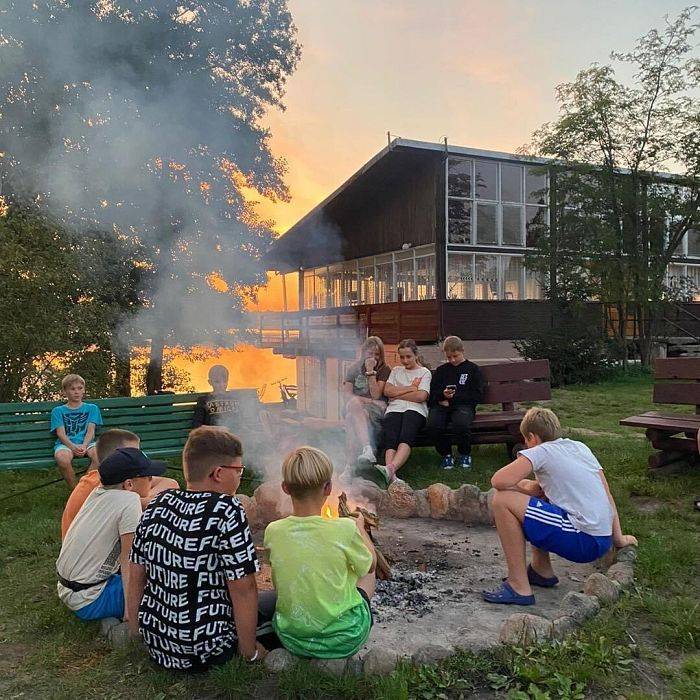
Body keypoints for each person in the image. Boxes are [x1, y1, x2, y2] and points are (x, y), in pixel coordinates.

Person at [127, 426, 273, 672]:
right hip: (207, 649)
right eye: (239, 470)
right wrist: (250, 652)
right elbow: (244, 588)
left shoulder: (159, 502)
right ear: (218, 473)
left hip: (159, 645)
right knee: (276, 604)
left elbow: (136, 574)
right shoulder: (227, 509)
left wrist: (136, 632)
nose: (240, 476)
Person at [482, 407, 637, 606]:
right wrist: (618, 539)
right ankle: (541, 571)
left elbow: (498, 480)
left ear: (532, 437)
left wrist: (527, 489)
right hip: (601, 538)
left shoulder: (541, 451)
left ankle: (518, 587)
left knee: (502, 500)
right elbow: (606, 495)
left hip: (583, 540)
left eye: (526, 440)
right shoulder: (580, 448)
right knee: (541, 503)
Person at [264, 446, 376, 659]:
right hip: (346, 638)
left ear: (285, 488)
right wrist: (361, 529)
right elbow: (370, 565)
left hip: (293, 638)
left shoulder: (273, 531)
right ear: (328, 488)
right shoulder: (345, 528)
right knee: (367, 570)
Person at [56, 447, 167, 621]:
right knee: (167, 587)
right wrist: (130, 614)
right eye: (148, 476)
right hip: (90, 599)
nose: (151, 480)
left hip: (68, 589)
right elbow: (129, 560)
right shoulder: (129, 501)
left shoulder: (98, 493)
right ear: (129, 484)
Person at [60, 428, 179, 540]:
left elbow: (171, 483)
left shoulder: (115, 477)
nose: (139, 457)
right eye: (133, 453)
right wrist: (143, 500)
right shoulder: (100, 485)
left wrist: (144, 498)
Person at [375, 339, 432, 485]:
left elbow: (421, 396)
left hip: (416, 409)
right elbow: (387, 391)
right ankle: (391, 476)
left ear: (415, 355)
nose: (405, 361)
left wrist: (397, 393)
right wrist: (410, 388)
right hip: (395, 408)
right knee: (391, 436)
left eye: (408, 357)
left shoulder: (424, 373)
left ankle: (390, 469)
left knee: (406, 434)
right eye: (402, 357)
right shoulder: (395, 371)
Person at [426, 336, 484, 470]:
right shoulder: (441, 371)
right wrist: (442, 396)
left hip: (464, 406)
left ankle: (464, 453)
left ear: (462, 350)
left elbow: (477, 394)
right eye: (449, 357)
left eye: (455, 356)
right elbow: (432, 394)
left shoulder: (473, 369)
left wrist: (453, 399)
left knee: (461, 424)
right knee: (433, 425)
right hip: (442, 405)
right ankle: (446, 454)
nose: (452, 360)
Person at [342, 336, 391, 468]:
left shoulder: (384, 370)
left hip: (374, 410)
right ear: (363, 353)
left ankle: (349, 467)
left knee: (350, 418)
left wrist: (370, 372)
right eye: (370, 353)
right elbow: (347, 394)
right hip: (361, 405)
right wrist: (368, 401)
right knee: (353, 404)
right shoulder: (354, 369)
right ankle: (367, 449)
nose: (373, 357)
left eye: (377, 354)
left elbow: (376, 395)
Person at [51, 374, 103, 489]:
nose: (76, 392)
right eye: (72, 389)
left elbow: (91, 431)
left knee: (100, 455)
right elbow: (61, 434)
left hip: (87, 443)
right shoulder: (58, 411)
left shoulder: (92, 408)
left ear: (84, 390)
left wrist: (84, 445)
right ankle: (75, 490)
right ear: (64, 392)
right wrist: (73, 447)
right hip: (66, 444)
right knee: (62, 458)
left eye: (80, 388)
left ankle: (84, 487)